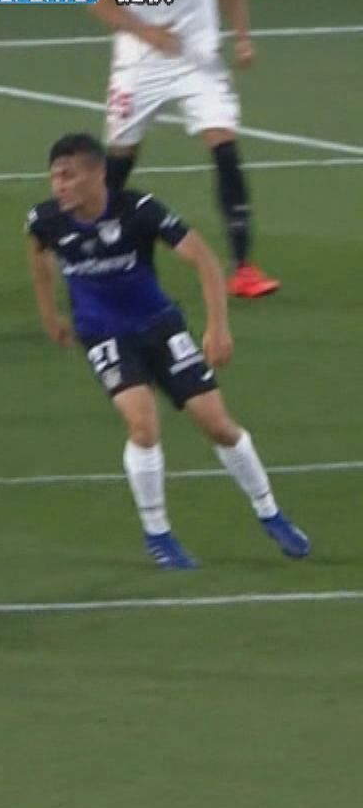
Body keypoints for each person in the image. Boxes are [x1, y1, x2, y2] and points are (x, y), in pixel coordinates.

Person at [25, 133, 309, 568]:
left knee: (218, 426)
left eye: (69, 176)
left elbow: (205, 259)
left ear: (98, 174)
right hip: (104, 335)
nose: (59, 186)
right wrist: (50, 317)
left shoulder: (139, 210)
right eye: (54, 177)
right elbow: (39, 261)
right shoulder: (46, 220)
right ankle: (158, 534)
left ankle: (270, 512)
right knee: (143, 425)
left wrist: (218, 327)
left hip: (160, 327)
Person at [87, 0, 278, 298]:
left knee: (223, 143)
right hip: (141, 61)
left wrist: (243, 38)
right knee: (121, 154)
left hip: (197, 58)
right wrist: (147, 29)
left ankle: (243, 267)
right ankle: (89, 245)